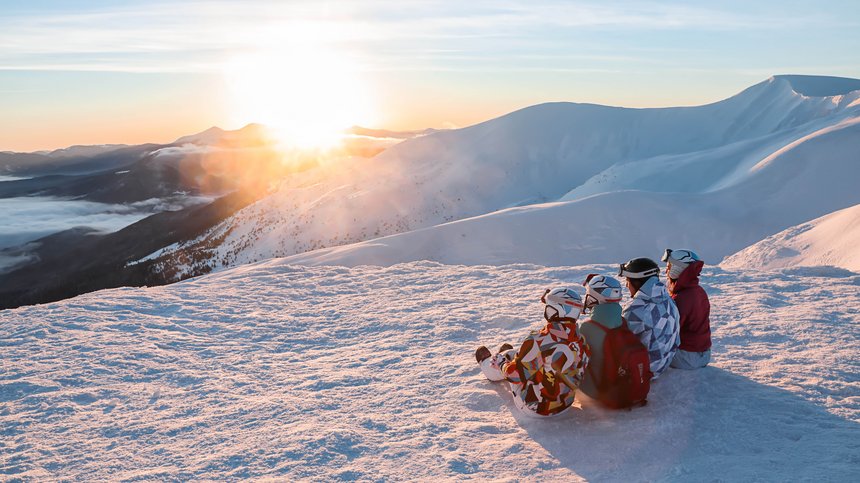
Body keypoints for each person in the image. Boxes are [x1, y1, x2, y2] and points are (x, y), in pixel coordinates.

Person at [475, 287, 590, 417]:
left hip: (537, 408)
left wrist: (502, 364)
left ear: (555, 309)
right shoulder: (582, 340)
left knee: (508, 358)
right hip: (565, 405)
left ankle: (488, 364)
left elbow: (514, 375)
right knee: (525, 356)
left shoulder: (538, 340)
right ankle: (508, 355)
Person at [618, 257, 680, 379]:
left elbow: (620, 341)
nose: (626, 285)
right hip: (664, 362)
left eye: (627, 280)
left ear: (637, 282)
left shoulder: (637, 308)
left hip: (645, 370)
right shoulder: (667, 298)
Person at [662, 249, 712, 369]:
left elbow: (670, 331)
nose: (666, 271)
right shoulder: (699, 291)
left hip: (687, 357)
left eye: (669, 266)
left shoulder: (682, 297)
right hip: (704, 354)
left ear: (678, 268)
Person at [577, 274, 624, 400]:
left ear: (595, 296)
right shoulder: (623, 322)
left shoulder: (588, 328)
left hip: (596, 389)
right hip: (619, 384)